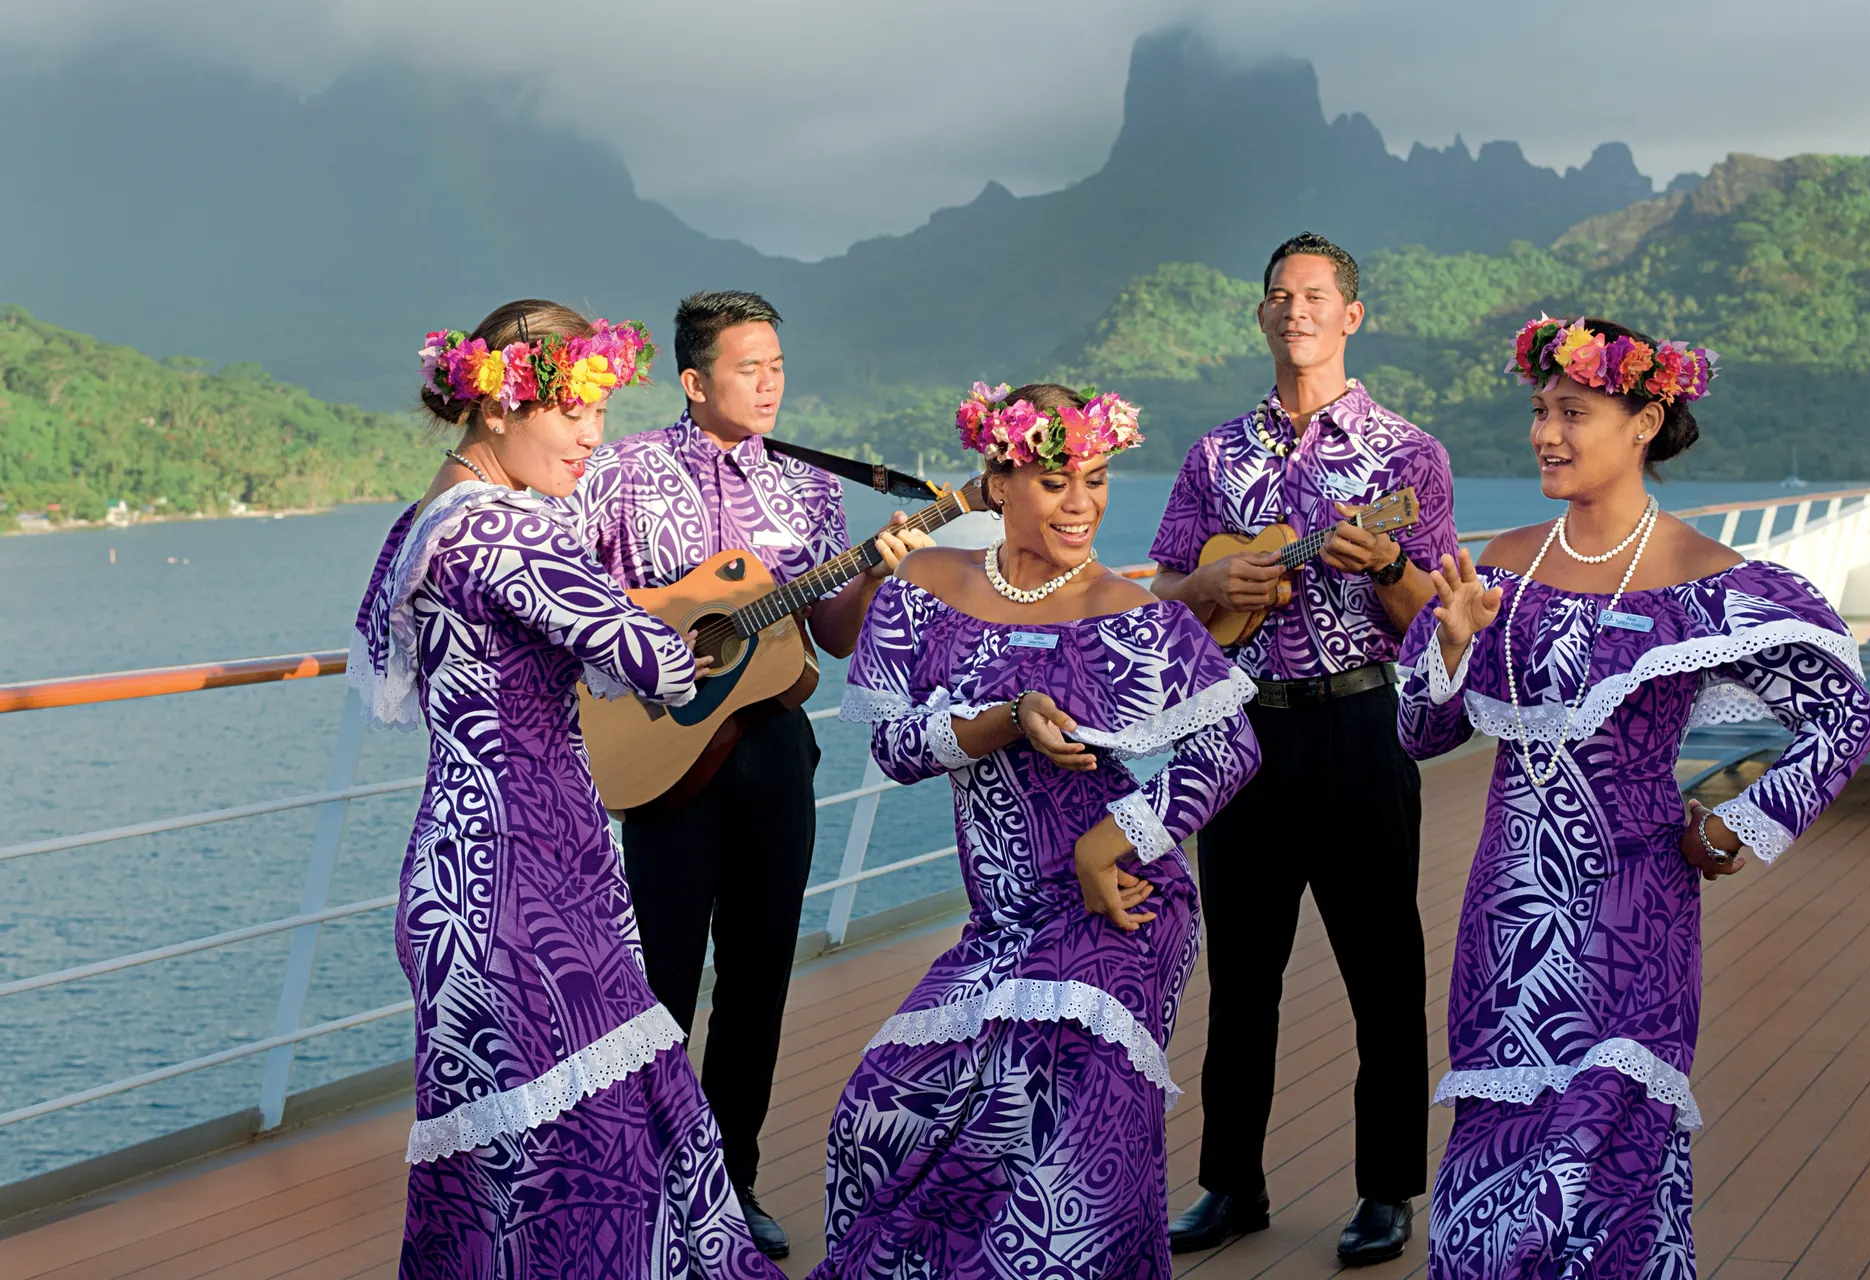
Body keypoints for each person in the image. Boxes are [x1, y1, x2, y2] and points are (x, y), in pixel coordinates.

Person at [1400, 316, 1870, 1277]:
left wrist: (1738, 820)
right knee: (1498, 1165)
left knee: (1603, 1163)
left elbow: (1843, 713)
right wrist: (1449, 644)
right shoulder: (1500, 569)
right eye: (1539, 410)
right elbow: (1421, 734)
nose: (1545, 434)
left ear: (1646, 422)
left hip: (1636, 918)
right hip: (1506, 922)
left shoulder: (1707, 581)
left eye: (1573, 412)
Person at [350, 300, 783, 1278]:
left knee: (523, 1169)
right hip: (519, 888)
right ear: (498, 406)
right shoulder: (506, 531)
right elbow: (657, 664)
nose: (593, 435)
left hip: (474, 871)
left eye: (601, 410)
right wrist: (690, 616)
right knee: (582, 1160)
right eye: (571, 410)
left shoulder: (428, 519)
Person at [810, 383, 1261, 1280]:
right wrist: (1007, 717)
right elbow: (897, 749)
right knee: (876, 1116)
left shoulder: (1133, 613)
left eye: (1097, 479)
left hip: (1120, 905)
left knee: (1047, 1117)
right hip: (1000, 919)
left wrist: (1110, 840)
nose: (1082, 503)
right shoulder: (921, 589)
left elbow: (1230, 748)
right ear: (998, 482)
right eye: (1056, 482)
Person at [568, 290, 932, 1258]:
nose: (769, 384)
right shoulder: (619, 471)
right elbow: (568, 590)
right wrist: (668, 624)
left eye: (776, 366)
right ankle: (649, 1190)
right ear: (695, 381)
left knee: (760, 976)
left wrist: (872, 571)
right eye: (747, 368)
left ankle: (732, 1185)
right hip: (663, 754)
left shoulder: (810, 488)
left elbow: (834, 637)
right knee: (660, 983)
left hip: (773, 748)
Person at [1148, 232, 1455, 1263]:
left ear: (1351, 315)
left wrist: (1389, 565)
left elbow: (1435, 618)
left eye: (1316, 295)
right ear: (1262, 315)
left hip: (1361, 723)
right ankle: (1231, 1182)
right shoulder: (1214, 453)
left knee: (1383, 966)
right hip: (1242, 729)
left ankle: (1387, 1189)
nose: (1296, 310)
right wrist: (1206, 585)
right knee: (1242, 974)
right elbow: (1165, 586)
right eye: (1280, 295)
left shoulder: (1407, 456)